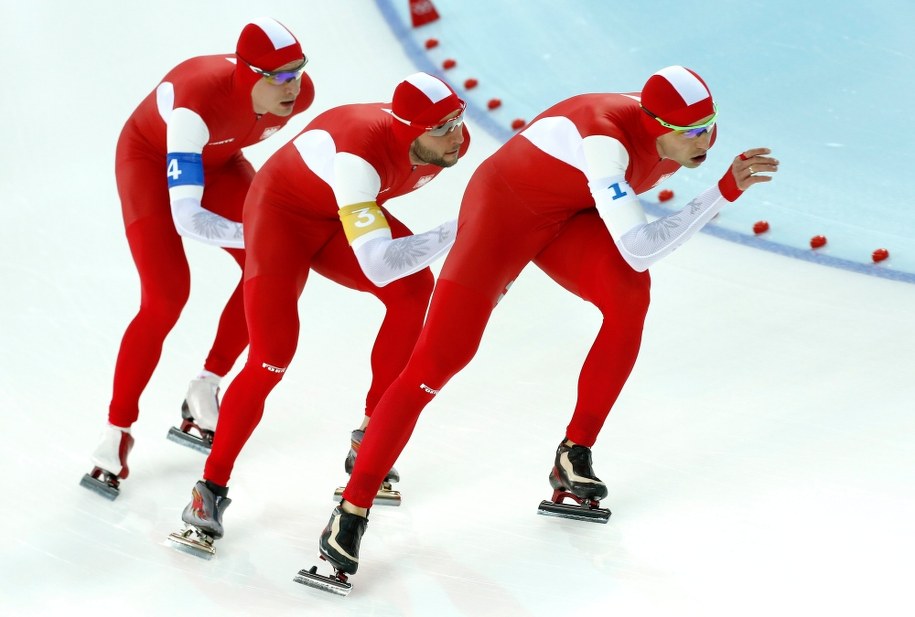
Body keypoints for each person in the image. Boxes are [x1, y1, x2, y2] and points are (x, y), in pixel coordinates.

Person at [316, 65, 780, 579]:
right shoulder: (605, 141)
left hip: (570, 215)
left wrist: (702, 152)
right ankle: (351, 510)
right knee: (438, 362)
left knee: (629, 299)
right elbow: (641, 247)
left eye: (709, 125)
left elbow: (628, 250)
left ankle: (574, 454)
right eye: (690, 132)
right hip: (503, 213)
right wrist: (722, 192)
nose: (704, 141)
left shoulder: (677, 130)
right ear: (652, 124)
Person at [169, 71, 470, 555]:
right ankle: (208, 491)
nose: (457, 136)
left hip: (335, 215)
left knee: (415, 291)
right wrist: (457, 228)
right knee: (272, 357)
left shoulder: (446, 141)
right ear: (411, 131)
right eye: (442, 128)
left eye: (459, 119)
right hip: (280, 218)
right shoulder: (358, 159)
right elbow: (378, 262)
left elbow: (373, 235)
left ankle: (370, 436)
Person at [80, 17, 316, 500]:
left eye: (300, 70)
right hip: (149, 160)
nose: (296, 85)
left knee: (279, 272)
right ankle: (116, 430)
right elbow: (188, 218)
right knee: (166, 296)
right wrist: (260, 235)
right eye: (283, 75)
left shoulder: (299, 95)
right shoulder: (194, 103)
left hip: (222, 162)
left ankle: (206, 385)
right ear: (251, 75)